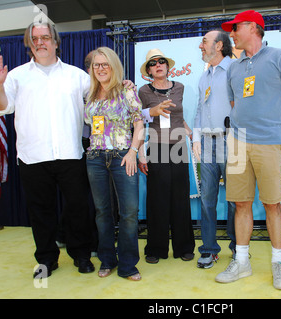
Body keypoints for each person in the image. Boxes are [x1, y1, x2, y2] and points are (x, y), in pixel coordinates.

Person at [0, 21, 96, 278]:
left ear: (55, 42)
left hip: (71, 154)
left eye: (45, 37)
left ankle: (81, 255)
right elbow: (1, 108)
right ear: (29, 44)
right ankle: (46, 259)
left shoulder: (77, 75)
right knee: (40, 212)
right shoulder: (15, 76)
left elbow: (99, 104)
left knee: (79, 208)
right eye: (35, 39)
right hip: (32, 157)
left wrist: (119, 86)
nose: (40, 42)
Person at [215, 10, 281, 290]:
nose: (232, 34)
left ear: (253, 28)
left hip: (269, 142)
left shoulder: (280, 57)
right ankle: (241, 262)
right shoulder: (234, 67)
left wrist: (279, 133)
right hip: (239, 143)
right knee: (240, 203)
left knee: (272, 205)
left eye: (236, 28)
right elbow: (234, 105)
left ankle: (278, 263)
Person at [84, 47, 143, 280]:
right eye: (96, 65)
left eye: (105, 64)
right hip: (95, 158)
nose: (100, 69)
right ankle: (107, 259)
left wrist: (133, 152)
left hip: (122, 156)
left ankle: (128, 265)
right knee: (102, 212)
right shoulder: (88, 95)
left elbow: (139, 125)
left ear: (114, 66)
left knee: (129, 212)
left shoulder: (127, 91)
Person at [138, 49, 195, 263]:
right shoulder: (143, 91)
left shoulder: (179, 87)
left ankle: (184, 247)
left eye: (162, 62)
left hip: (179, 145)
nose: (158, 65)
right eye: (153, 63)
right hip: (156, 146)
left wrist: (190, 132)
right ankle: (155, 249)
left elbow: (179, 116)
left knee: (180, 198)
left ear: (168, 66)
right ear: (149, 70)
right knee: (157, 199)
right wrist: (141, 153)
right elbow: (138, 120)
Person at [192, 30, 236, 269]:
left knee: (235, 200)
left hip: (232, 141)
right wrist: (196, 138)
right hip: (207, 143)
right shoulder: (204, 76)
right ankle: (209, 249)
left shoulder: (235, 69)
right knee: (207, 199)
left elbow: (242, 106)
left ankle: (238, 249)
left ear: (219, 45)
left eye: (204, 42)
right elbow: (200, 109)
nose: (201, 46)